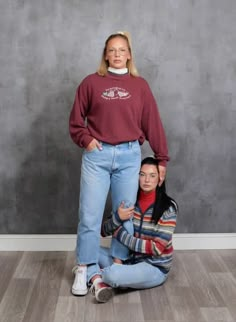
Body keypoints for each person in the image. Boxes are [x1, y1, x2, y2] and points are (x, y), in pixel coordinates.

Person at [69, 31, 169, 303]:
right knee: (89, 216)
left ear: (128, 54)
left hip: (128, 157)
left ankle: (117, 266)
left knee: (124, 215)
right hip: (97, 156)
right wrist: (87, 141)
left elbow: (153, 123)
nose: (116, 54)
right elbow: (76, 121)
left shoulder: (140, 86)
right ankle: (84, 270)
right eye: (111, 50)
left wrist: (161, 158)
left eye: (121, 49)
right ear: (105, 54)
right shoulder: (91, 83)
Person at [99, 157, 178, 293]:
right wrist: (117, 218)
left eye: (152, 175)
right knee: (84, 249)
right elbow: (103, 231)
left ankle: (98, 275)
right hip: (128, 260)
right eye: (142, 175)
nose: (147, 180)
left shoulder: (168, 208)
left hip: (153, 267)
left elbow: (157, 248)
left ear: (159, 178)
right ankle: (115, 277)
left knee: (113, 275)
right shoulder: (130, 201)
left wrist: (120, 235)